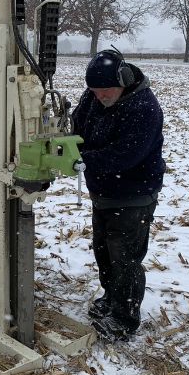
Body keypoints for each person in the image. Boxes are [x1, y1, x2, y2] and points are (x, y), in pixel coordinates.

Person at [71, 49, 165, 341]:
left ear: (123, 80)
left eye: (106, 91)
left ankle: (124, 319)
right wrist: (70, 143)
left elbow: (125, 156)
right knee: (103, 250)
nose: (100, 97)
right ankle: (111, 298)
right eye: (95, 91)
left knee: (125, 257)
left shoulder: (144, 108)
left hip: (134, 193)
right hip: (103, 191)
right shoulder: (95, 95)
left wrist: (82, 159)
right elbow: (79, 122)